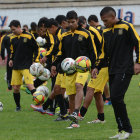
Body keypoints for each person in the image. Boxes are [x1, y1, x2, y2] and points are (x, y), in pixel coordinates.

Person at [92, 7, 140, 139]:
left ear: (113, 17)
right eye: (102, 21)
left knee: (116, 97)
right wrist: (96, 67)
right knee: (114, 98)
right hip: (112, 70)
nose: (104, 23)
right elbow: (103, 52)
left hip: (125, 68)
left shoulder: (126, 26)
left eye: (106, 20)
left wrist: (138, 62)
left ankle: (127, 129)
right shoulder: (105, 31)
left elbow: (138, 42)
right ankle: (121, 130)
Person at [52, 11, 97, 128]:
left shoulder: (86, 34)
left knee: (79, 85)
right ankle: (74, 121)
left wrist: (95, 67)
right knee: (71, 95)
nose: (71, 24)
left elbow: (93, 51)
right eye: (69, 22)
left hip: (83, 67)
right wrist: (54, 64)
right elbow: (61, 53)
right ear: (66, 22)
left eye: (73, 22)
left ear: (77, 21)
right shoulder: (64, 36)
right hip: (70, 69)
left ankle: (76, 112)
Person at [31, 18, 69, 121]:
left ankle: (71, 112)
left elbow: (58, 49)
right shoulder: (59, 34)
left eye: (48, 29)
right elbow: (58, 49)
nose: (48, 32)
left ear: (52, 27)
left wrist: (50, 60)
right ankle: (63, 113)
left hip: (65, 65)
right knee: (57, 88)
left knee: (64, 90)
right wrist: (54, 64)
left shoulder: (61, 34)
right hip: (60, 64)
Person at [8, 20, 39, 111]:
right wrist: (10, 59)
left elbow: (36, 48)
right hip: (16, 66)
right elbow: (12, 51)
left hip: (27, 65)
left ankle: (39, 104)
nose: (12, 31)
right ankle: (18, 107)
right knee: (16, 88)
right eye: (11, 30)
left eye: (14, 29)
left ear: (19, 27)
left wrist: (35, 61)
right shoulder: (12, 38)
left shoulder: (29, 36)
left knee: (30, 85)